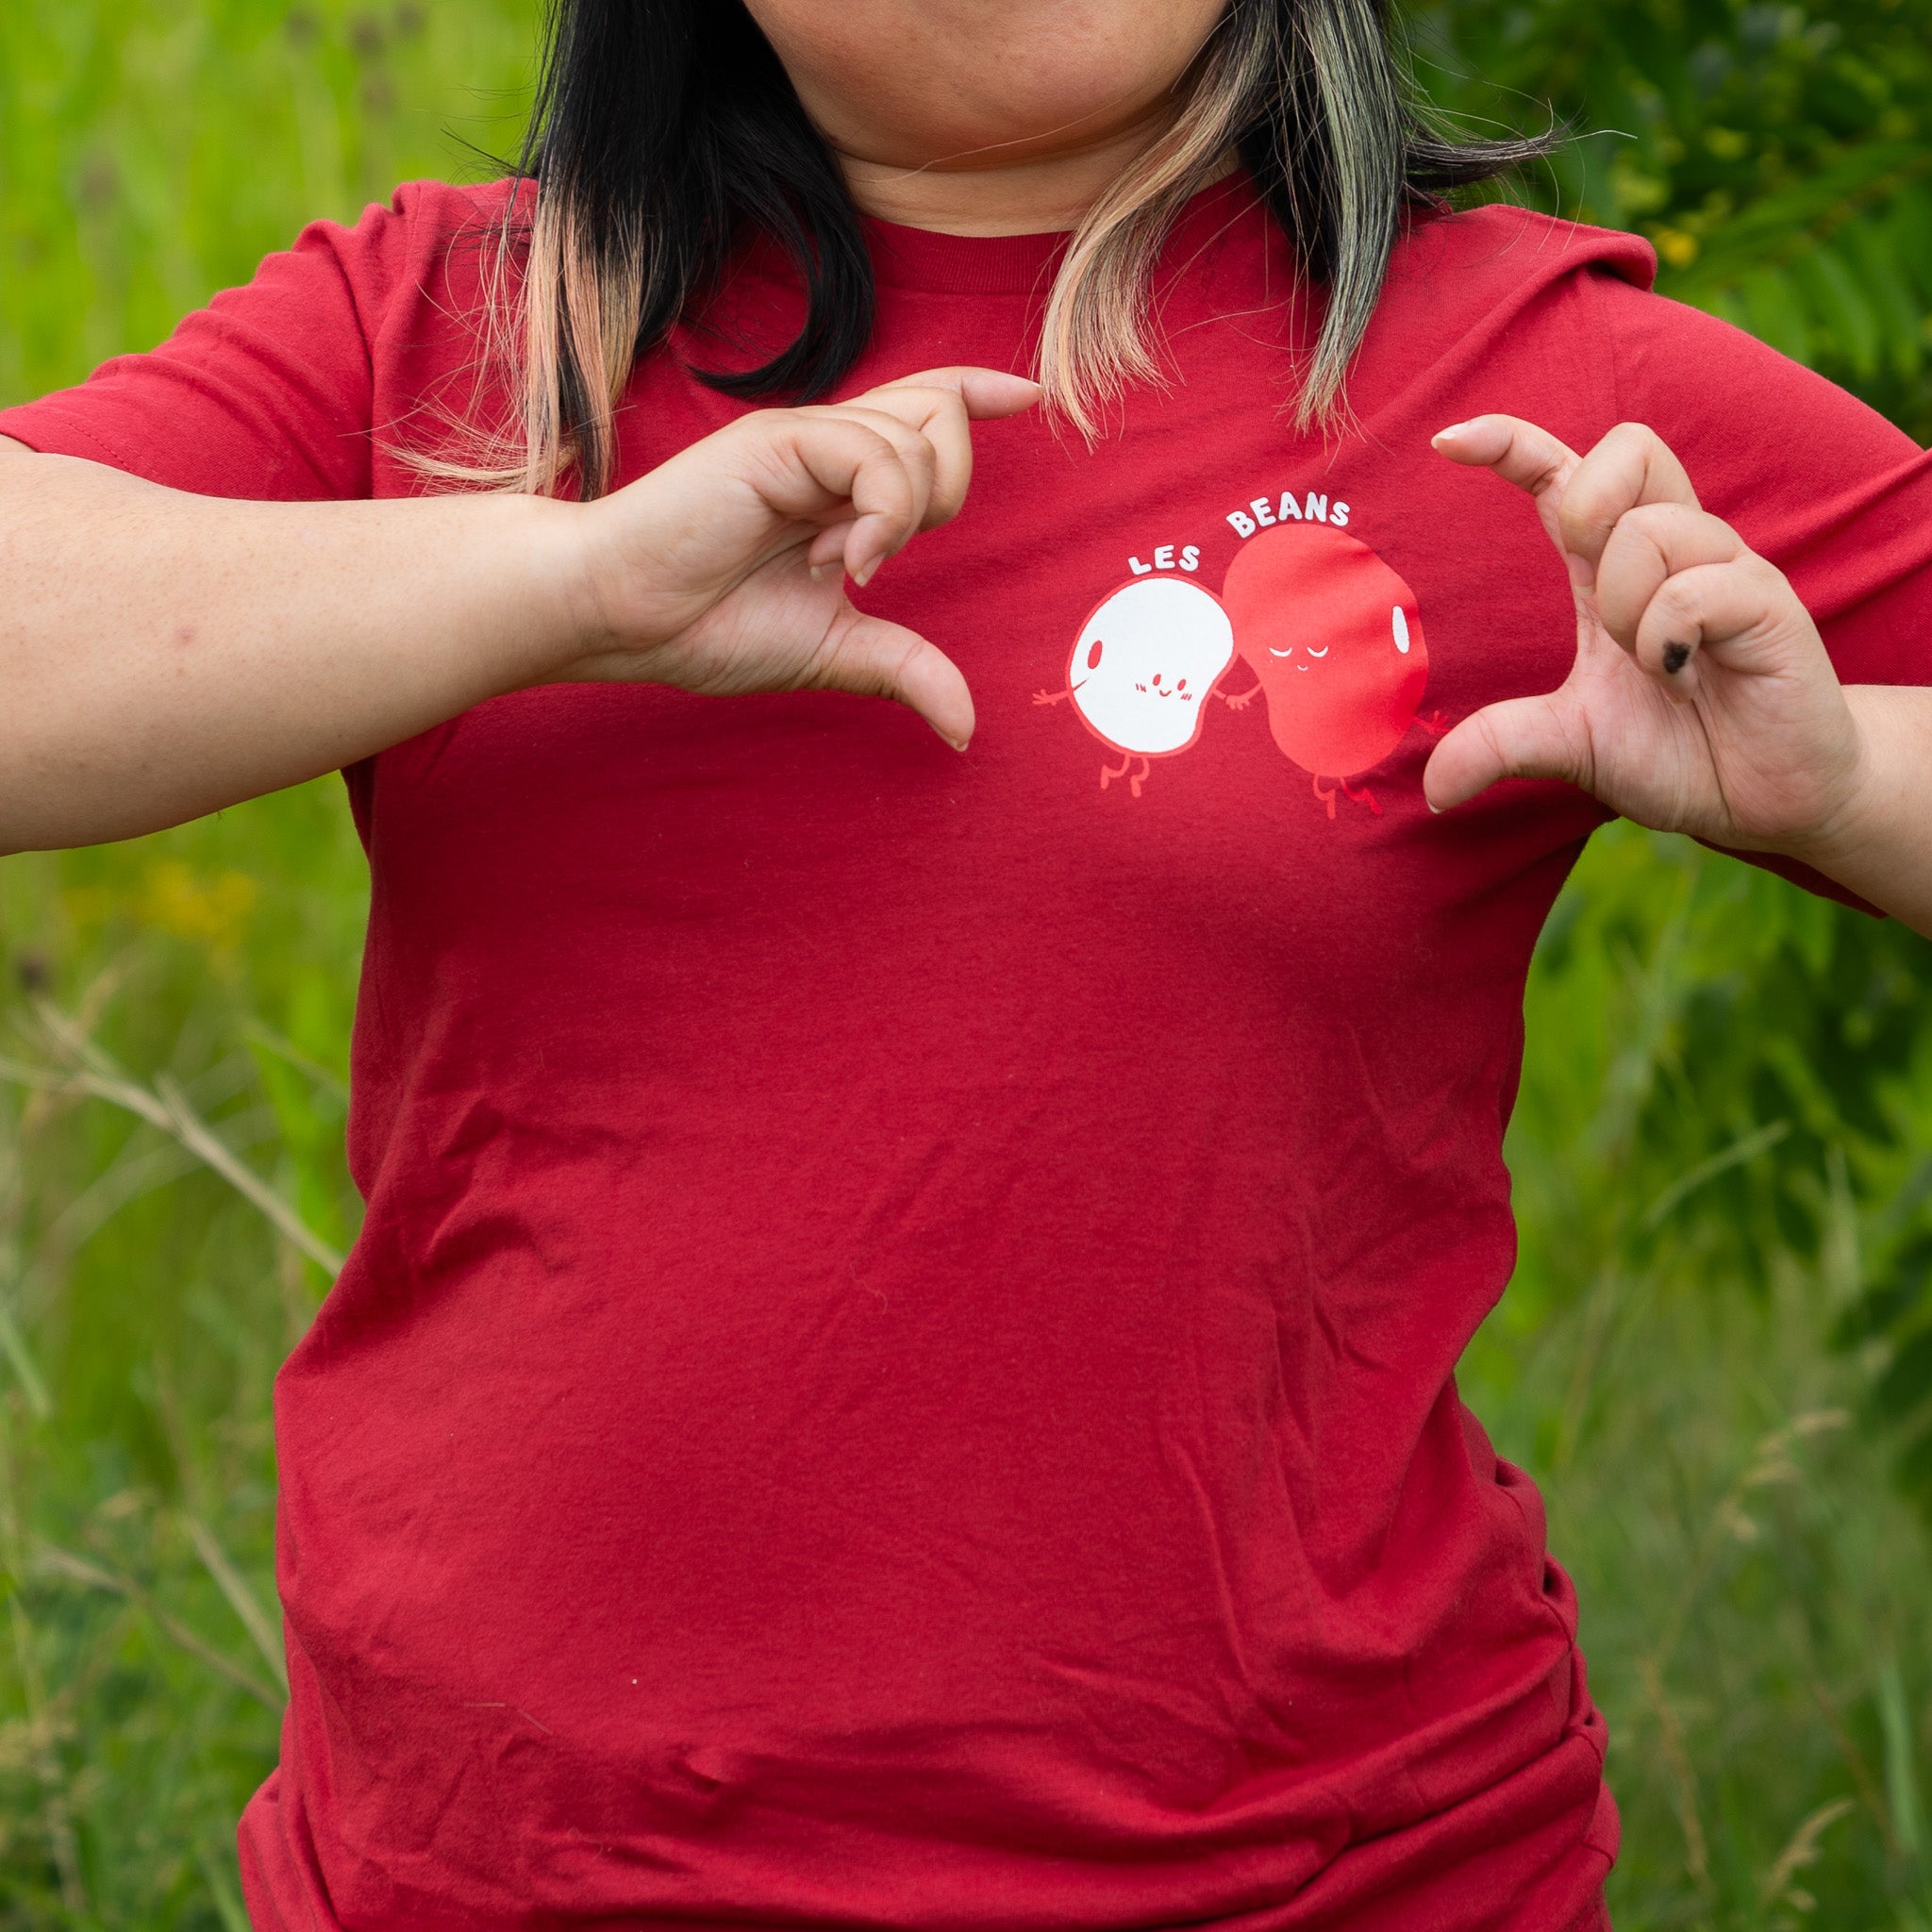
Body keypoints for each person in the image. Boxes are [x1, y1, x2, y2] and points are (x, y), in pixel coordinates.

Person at [2, 0, 1928, 1924]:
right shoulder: (464, 339)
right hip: (488, 1877)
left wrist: (1833, 786)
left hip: (1317, 1881)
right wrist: (562, 582)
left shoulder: (1516, 373)